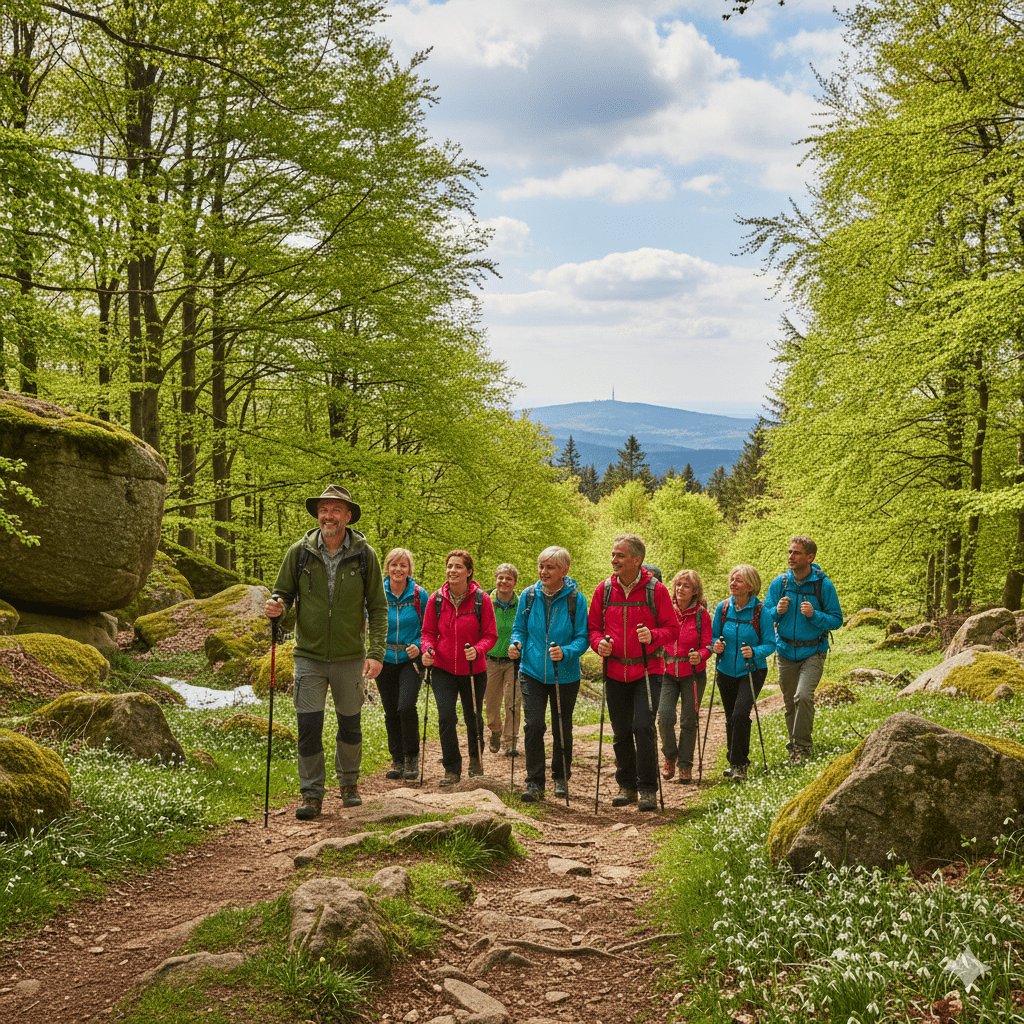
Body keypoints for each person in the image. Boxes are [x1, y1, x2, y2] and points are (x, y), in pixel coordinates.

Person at [264, 484, 386, 819]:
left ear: (347, 516)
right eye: (323, 510)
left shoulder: (365, 555)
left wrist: (375, 652)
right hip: (309, 655)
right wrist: (277, 607)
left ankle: (348, 784)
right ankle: (312, 794)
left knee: (350, 723)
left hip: (350, 656)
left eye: (335, 510)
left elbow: (378, 607)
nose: (327, 516)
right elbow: (283, 596)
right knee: (308, 725)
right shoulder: (299, 552)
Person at [588, 534, 677, 811]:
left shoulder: (656, 591)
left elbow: (672, 630)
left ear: (637, 560)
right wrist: (598, 643)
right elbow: (592, 628)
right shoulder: (604, 590)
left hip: (648, 668)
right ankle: (626, 786)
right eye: (613, 555)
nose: (614, 560)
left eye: (620, 556)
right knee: (621, 731)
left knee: (643, 727)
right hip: (614, 669)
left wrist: (652, 635)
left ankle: (648, 788)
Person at [509, 546, 589, 802]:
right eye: (541, 566)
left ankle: (561, 776)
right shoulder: (528, 596)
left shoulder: (576, 599)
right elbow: (519, 628)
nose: (543, 572)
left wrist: (565, 652)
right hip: (531, 670)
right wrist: (516, 644)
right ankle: (534, 782)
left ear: (564, 571)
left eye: (549, 567)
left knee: (561, 727)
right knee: (533, 725)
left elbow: (583, 638)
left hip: (564, 674)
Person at [421, 550, 498, 787]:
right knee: (446, 718)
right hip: (443, 668)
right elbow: (428, 633)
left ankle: (476, 761)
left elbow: (490, 635)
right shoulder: (435, 599)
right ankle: (451, 768)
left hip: (474, 669)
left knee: (473, 717)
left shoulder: (481, 599)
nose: (452, 571)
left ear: (469, 571)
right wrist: (427, 650)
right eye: (449, 566)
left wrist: (478, 649)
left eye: (458, 567)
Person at [764, 536, 843, 762]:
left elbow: (837, 620)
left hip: (813, 651)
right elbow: (764, 616)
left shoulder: (822, 585)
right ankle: (796, 749)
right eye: (790, 552)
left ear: (810, 557)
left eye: (797, 553)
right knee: (790, 703)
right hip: (785, 651)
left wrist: (814, 615)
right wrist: (776, 611)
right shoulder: (780, 583)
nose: (791, 557)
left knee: (803, 697)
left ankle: (802, 748)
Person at [710, 564, 775, 782]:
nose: (733, 583)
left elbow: (770, 643)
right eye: (731, 579)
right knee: (731, 718)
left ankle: (739, 764)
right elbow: (712, 637)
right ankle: (734, 762)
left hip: (752, 670)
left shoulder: (761, 611)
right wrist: (715, 646)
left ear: (750, 585)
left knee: (740, 715)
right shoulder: (723, 608)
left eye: (738, 580)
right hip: (726, 670)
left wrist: (754, 651)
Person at [658, 570, 713, 784]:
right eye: (678, 584)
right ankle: (670, 756)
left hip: (693, 674)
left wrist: (700, 655)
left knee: (689, 720)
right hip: (667, 672)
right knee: (664, 717)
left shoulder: (702, 615)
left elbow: (708, 645)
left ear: (695, 591)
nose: (680, 588)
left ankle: (685, 764)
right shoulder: (665, 611)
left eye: (686, 586)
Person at [379, 547, 429, 782]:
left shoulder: (420, 595)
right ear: (387, 567)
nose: (398, 569)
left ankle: (411, 757)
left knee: (406, 706)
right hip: (384, 658)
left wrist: (419, 645)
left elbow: (430, 629)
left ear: (410, 569)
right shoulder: (378, 592)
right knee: (390, 710)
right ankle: (397, 759)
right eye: (394, 565)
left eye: (403, 565)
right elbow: (366, 623)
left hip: (410, 660)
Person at [485, 563, 521, 757]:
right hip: (490, 659)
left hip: (513, 661)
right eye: (501, 578)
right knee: (490, 703)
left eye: (508, 578)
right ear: (496, 580)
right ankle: (495, 730)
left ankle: (510, 740)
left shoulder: (522, 603)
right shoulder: (485, 602)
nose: (504, 581)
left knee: (513, 701)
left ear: (514, 582)